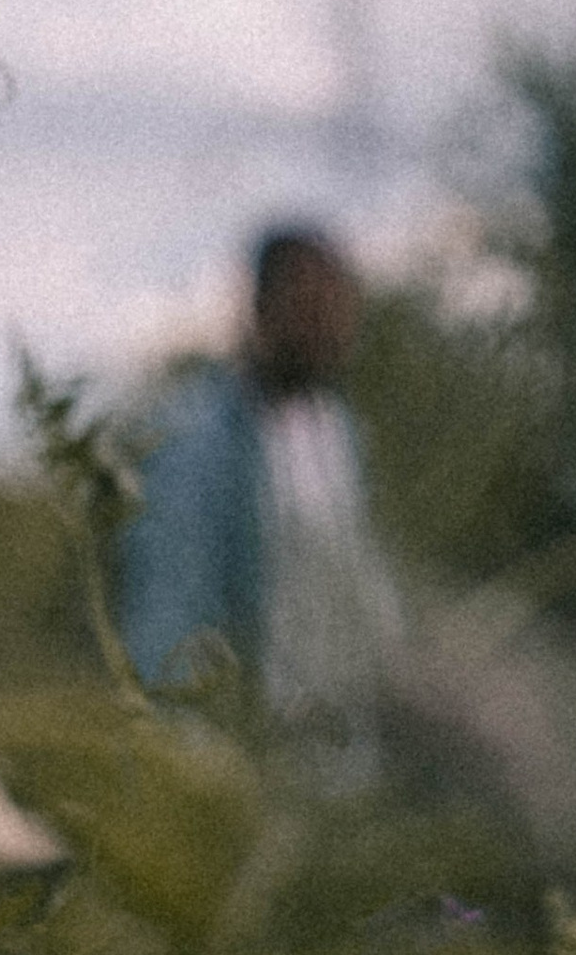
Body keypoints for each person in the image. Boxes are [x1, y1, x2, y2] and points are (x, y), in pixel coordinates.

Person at [120, 224, 408, 788]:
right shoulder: (192, 436)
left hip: (348, 744)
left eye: (339, 311)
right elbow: (168, 612)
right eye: (310, 310)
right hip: (251, 754)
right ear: (262, 311)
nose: (331, 330)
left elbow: (361, 575)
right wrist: (176, 754)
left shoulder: (340, 431)